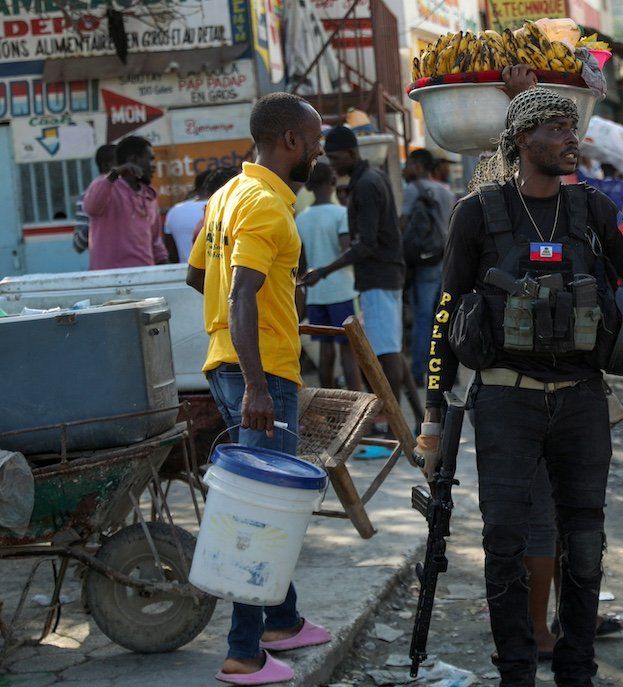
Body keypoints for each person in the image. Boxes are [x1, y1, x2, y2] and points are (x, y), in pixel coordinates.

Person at [416, 85, 623, 687]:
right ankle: (516, 672)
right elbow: (447, 313)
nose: (570, 138)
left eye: (572, 127)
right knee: (503, 542)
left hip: (579, 399)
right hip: (504, 399)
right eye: (555, 128)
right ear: (524, 138)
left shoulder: (593, 210)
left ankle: (577, 669)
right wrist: (433, 416)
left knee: (585, 538)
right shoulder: (478, 213)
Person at [185, 92, 332, 686]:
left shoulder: (225, 197)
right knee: (262, 512)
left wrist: (262, 309)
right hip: (260, 374)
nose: (321, 149)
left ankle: (284, 619)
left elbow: (199, 275)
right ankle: (245, 650)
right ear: (290, 141)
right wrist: (256, 385)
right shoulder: (266, 205)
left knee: (269, 500)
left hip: (230, 363)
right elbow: (241, 290)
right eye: (316, 138)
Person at [302, 126, 407, 408]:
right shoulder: (371, 178)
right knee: (388, 349)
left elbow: (366, 245)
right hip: (382, 275)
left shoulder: (366, 184)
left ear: (350, 153)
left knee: (385, 353)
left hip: (378, 277)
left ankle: (392, 418)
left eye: (335, 159)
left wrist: (323, 272)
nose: (333, 166)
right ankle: (401, 415)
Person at [296, 161, 362, 390]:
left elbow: (301, 261)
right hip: (341, 290)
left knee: (325, 350)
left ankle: (328, 400)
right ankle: (358, 403)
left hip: (315, 294)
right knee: (348, 350)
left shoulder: (301, 217)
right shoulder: (341, 213)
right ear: (333, 182)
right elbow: (347, 251)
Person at [402, 148, 455, 384]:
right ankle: (448, 372)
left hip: (423, 262)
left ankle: (417, 372)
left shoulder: (412, 190)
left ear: (419, 166)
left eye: (409, 164)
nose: (406, 169)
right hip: (444, 259)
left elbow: (404, 224)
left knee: (423, 318)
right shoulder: (446, 191)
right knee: (444, 317)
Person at [83, 135, 168, 270]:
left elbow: (156, 243)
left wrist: (166, 270)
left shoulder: (149, 196)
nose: (153, 166)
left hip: (145, 276)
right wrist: (115, 173)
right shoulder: (106, 186)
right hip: (110, 279)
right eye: (150, 159)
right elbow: (90, 208)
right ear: (133, 160)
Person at [73, 144, 117, 254]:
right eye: (120, 162)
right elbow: (78, 245)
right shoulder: (87, 197)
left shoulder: (132, 195)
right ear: (107, 165)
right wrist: (96, 222)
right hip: (105, 265)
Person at [163, 169, 213, 263]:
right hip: (218, 274)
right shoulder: (222, 208)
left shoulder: (174, 211)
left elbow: (171, 253)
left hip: (183, 273)